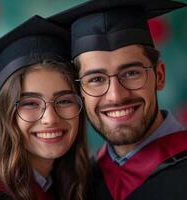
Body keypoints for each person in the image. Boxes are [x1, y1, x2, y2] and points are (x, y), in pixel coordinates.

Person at [48, 0, 187, 199]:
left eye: (131, 73)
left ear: (160, 76)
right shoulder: (78, 184)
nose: (116, 95)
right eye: (96, 79)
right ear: (79, 91)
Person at [0, 15, 90, 200]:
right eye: (30, 103)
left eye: (64, 101)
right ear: (7, 113)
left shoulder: (56, 182)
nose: (50, 118)